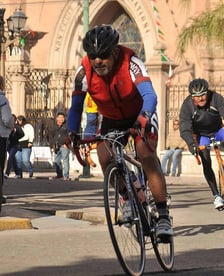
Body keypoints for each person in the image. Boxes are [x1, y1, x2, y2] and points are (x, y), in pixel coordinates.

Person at [67, 25, 173, 240]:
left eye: (104, 55)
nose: (98, 61)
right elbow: (76, 107)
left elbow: (150, 95)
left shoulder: (132, 63)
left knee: (145, 153)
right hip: (112, 119)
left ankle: (163, 216)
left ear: (115, 52)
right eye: (93, 56)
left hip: (139, 113)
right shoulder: (83, 73)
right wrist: (72, 133)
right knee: (105, 157)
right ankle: (127, 198)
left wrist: (144, 117)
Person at [179, 78, 224, 210]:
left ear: (208, 93)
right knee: (205, 159)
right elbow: (184, 127)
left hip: (218, 130)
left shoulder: (216, 98)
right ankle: (216, 195)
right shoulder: (187, 106)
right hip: (201, 135)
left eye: (203, 94)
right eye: (197, 97)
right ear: (192, 97)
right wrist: (191, 144)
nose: (201, 99)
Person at [80, 92, 99, 178]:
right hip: (92, 111)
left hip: (93, 111)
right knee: (90, 134)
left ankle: (87, 149)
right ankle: (87, 149)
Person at [48, 112, 71, 180]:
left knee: (65, 160)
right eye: (60, 117)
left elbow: (69, 136)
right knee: (56, 161)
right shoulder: (53, 127)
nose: (61, 119)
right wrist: (52, 145)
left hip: (64, 146)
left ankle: (66, 176)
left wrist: (67, 144)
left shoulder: (67, 126)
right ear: (56, 118)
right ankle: (59, 174)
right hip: (56, 146)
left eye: (62, 118)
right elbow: (50, 136)